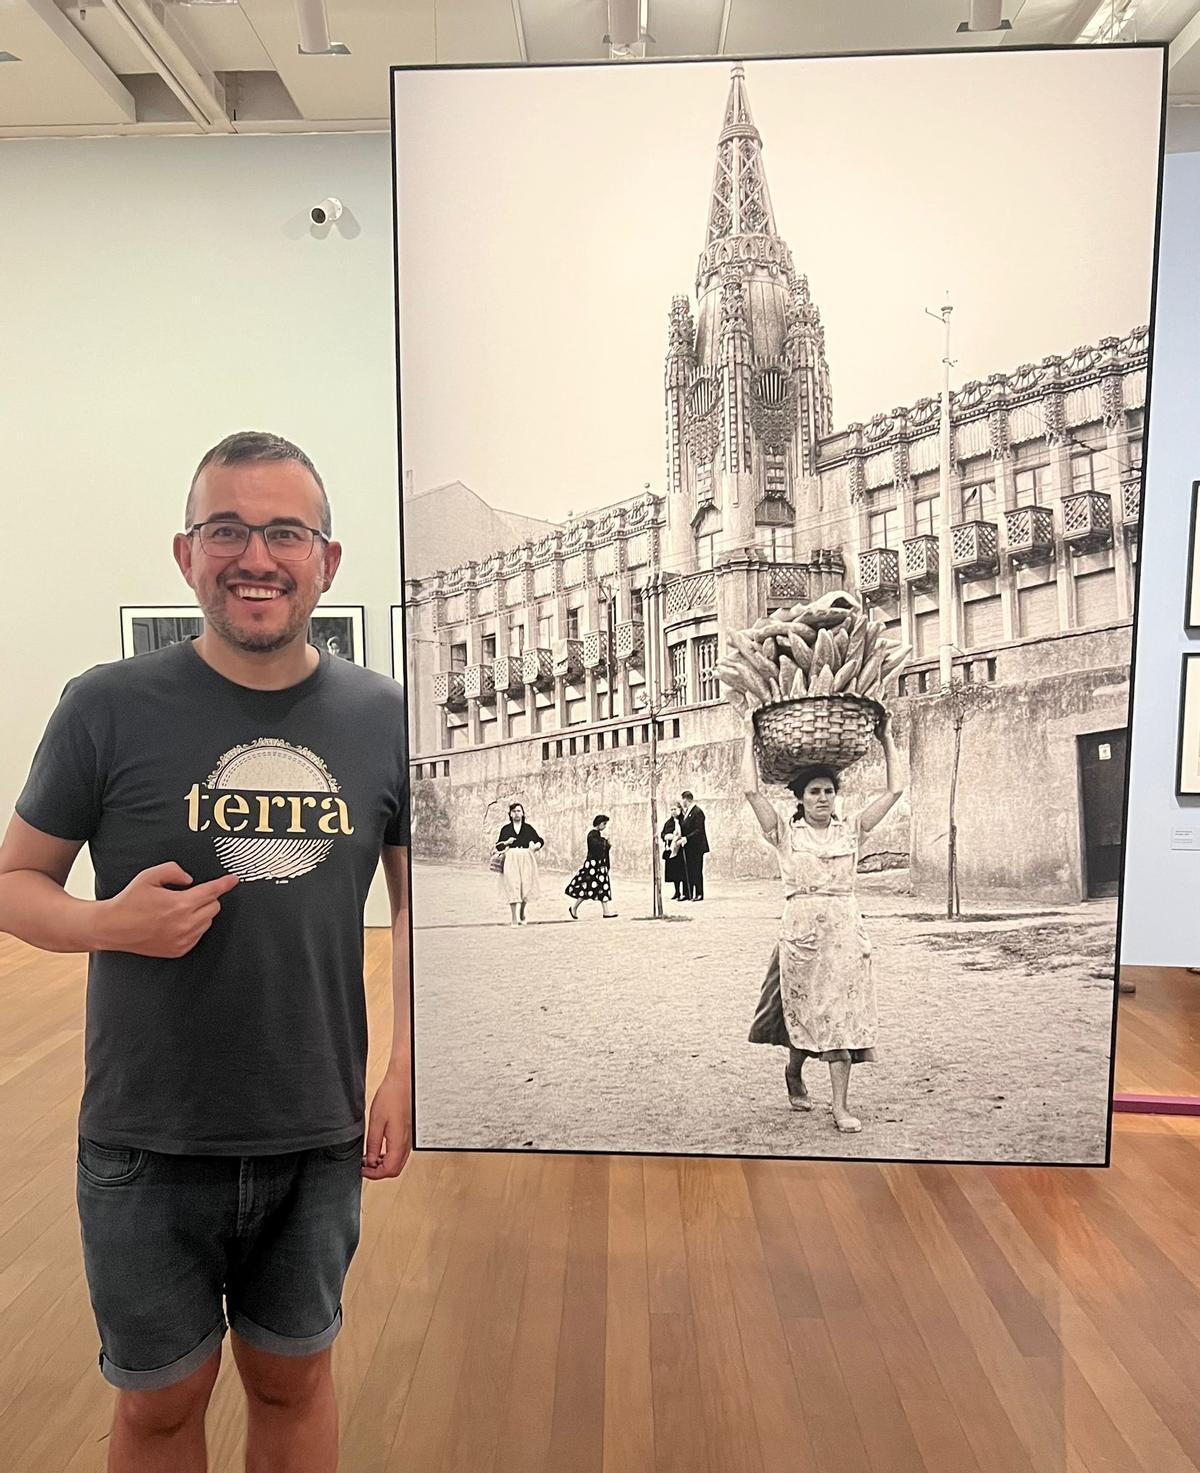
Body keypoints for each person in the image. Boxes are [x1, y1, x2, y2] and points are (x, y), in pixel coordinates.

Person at [0, 431, 413, 1473]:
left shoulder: (386, 718)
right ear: (187, 554)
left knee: (293, 1383)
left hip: (315, 1132)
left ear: (327, 559)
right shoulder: (104, 706)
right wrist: (109, 923)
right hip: (147, 1138)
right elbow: (14, 884)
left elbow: (423, 914)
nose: (255, 557)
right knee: (158, 1405)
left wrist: (410, 1070)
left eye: (285, 533)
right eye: (226, 530)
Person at [743, 709, 903, 1133]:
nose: (822, 798)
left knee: (840, 1018)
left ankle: (840, 1107)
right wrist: (748, 737)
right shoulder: (785, 835)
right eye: (814, 791)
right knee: (804, 1014)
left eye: (829, 791)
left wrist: (887, 738)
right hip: (802, 936)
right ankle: (793, 1070)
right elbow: (751, 792)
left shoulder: (852, 831)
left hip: (845, 934)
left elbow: (895, 790)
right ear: (800, 798)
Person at [494, 801, 543, 926]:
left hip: (526, 857)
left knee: (525, 885)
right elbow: (498, 846)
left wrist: (536, 846)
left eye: (519, 811)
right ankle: (514, 918)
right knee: (512, 885)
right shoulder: (506, 829)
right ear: (510, 814)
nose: (516, 813)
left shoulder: (528, 828)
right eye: (514, 811)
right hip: (511, 857)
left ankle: (522, 910)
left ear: (522, 813)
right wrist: (506, 842)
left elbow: (539, 840)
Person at [565, 814, 617, 919]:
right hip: (593, 866)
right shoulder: (592, 835)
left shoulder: (596, 835)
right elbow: (596, 846)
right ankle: (574, 907)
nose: (605, 826)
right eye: (604, 824)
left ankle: (606, 911)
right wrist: (606, 843)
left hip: (599, 866)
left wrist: (605, 843)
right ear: (599, 823)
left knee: (603, 886)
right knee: (588, 887)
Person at [679, 789, 709, 901]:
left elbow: (698, 830)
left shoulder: (697, 812)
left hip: (697, 846)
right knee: (689, 870)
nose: (682, 802)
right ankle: (688, 893)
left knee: (696, 870)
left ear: (687, 800)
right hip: (689, 847)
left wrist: (687, 838)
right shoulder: (686, 812)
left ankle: (699, 893)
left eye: (683, 799)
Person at [661, 802, 687, 902]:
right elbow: (663, 833)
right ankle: (677, 892)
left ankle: (685, 893)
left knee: (682, 872)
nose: (673, 811)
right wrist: (666, 836)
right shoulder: (669, 823)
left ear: (679, 809)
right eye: (671, 809)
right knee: (674, 873)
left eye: (675, 809)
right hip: (671, 850)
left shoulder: (683, 821)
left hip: (681, 850)